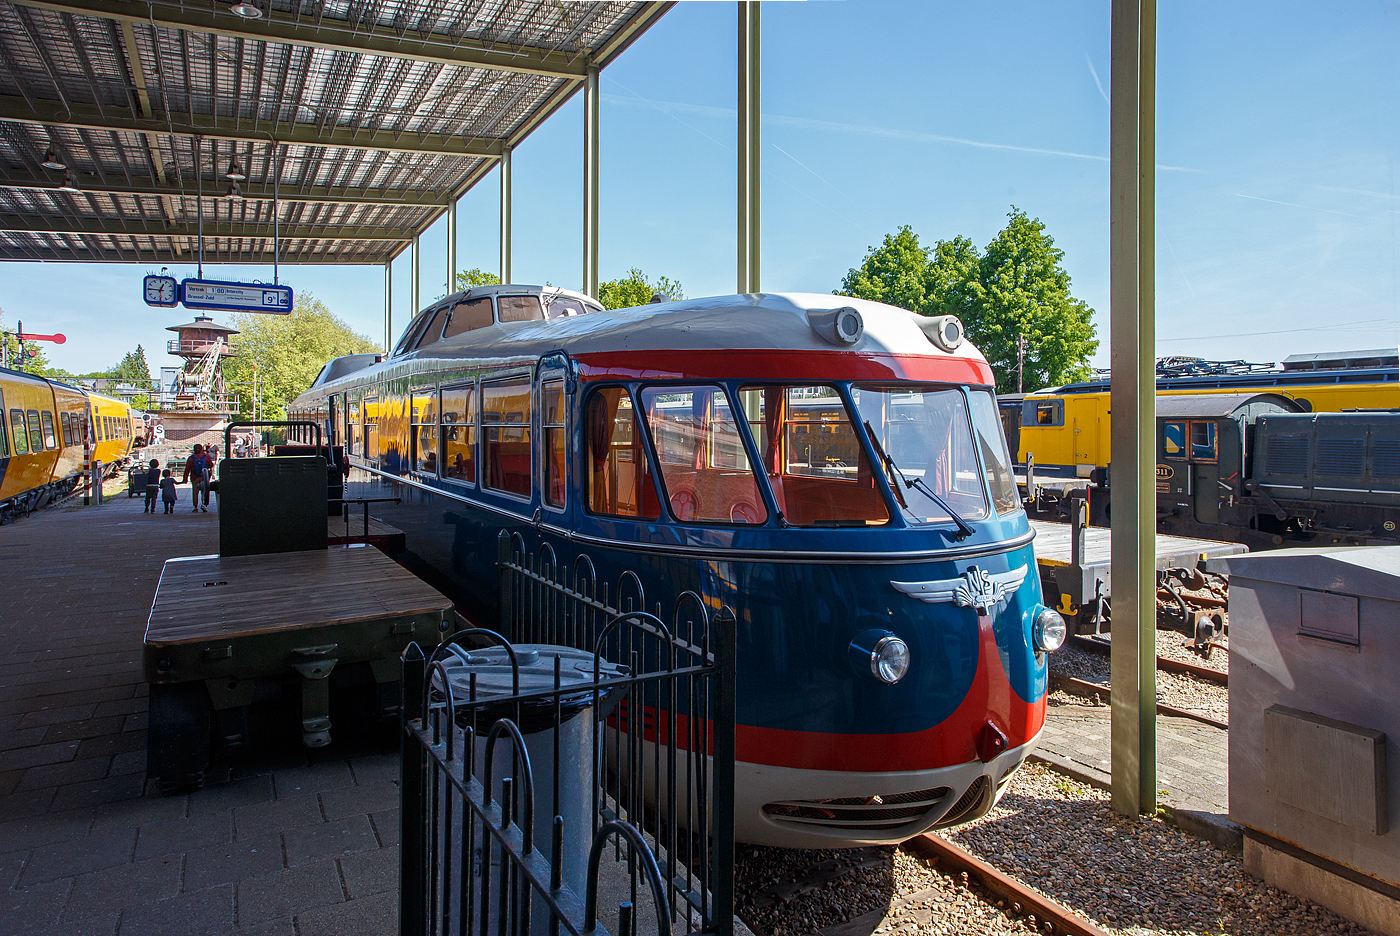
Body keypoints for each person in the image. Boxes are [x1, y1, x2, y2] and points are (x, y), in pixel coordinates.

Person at [181, 444, 209, 513]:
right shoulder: (206, 456)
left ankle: (195, 507)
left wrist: (185, 479)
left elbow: (187, 469)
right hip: (203, 477)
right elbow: (210, 465)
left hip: (194, 477)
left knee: (195, 492)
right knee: (204, 491)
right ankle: (203, 504)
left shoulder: (191, 458)